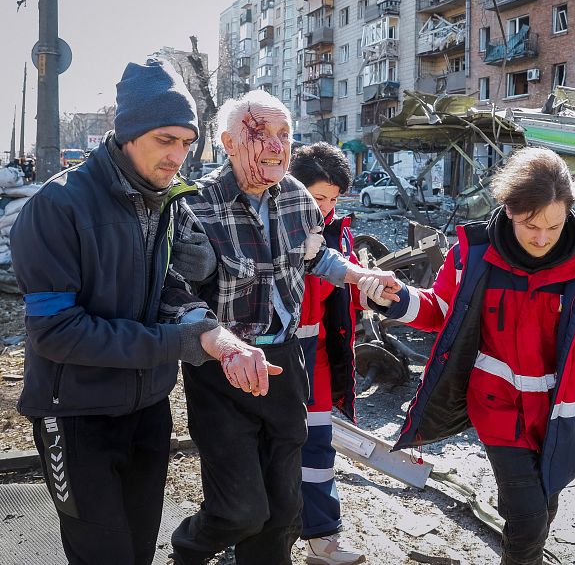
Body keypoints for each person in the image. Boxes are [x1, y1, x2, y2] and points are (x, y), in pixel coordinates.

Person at [9, 58, 272, 565]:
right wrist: (181, 343)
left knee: (139, 551)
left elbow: (166, 289)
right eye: (164, 139)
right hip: (76, 415)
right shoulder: (59, 206)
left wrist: (212, 332)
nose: (178, 156)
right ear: (127, 133)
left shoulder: (163, 200)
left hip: (149, 407)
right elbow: (56, 332)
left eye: (187, 143)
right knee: (103, 555)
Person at [361, 147, 575, 565]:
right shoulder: (475, 254)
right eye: (530, 225)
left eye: (553, 227)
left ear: (570, 213)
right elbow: (440, 312)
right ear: (508, 208)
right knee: (528, 516)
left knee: (543, 503)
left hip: (566, 416)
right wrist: (396, 301)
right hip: (498, 408)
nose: (541, 238)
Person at [168, 90, 397, 565]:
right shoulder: (195, 206)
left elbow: (316, 256)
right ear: (229, 143)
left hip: (285, 363)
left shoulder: (295, 196)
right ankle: (188, 551)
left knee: (283, 510)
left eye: (284, 135)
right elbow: (175, 294)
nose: (277, 145)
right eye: (262, 134)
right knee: (238, 511)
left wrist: (362, 276)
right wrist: (221, 343)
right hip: (222, 369)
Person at [289, 143, 366, 565]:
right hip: (275, 352)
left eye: (334, 199)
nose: (326, 208)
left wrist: (366, 295)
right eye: (318, 197)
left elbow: (343, 293)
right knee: (274, 445)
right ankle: (267, 537)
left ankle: (323, 540)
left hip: (318, 353)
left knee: (318, 445)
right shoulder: (271, 225)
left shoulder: (339, 230)